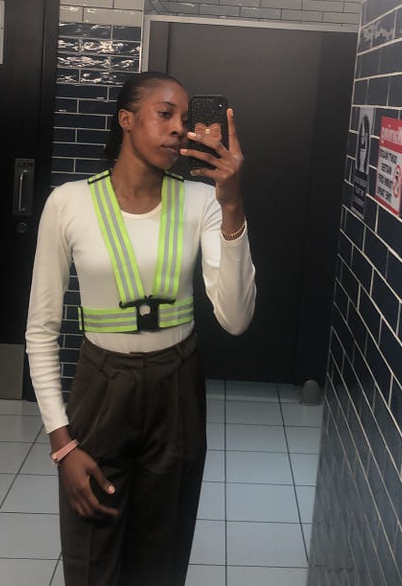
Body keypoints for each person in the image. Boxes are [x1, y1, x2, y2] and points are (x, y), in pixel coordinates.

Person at [26, 71, 256, 586]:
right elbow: (40, 328)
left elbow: (236, 318)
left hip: (177, 387)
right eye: (165, 113)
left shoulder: (202, 202)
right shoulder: (69, 203)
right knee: (92, 557)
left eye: (185, 118)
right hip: (101, 387)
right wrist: (62, 443)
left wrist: (233, 204)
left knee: (161, 558)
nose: (179, 128)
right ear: (126, 120)